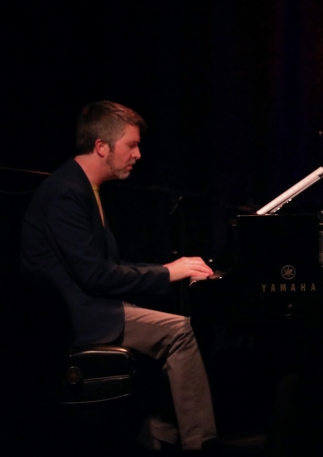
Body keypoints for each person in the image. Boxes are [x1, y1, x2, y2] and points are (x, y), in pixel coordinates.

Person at [20, 100, 218, 450]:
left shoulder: (83, 187)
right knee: (180, 332)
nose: (138, 154)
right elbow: (96, 276)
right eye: (131, 144)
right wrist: (167, 272)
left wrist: (169, 271)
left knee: (182, 325)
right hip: (72, 317)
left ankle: (156, 433)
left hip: (90, 305)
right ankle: (199, 445)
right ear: (101, 146)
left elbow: (107, 267)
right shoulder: (66, 192)